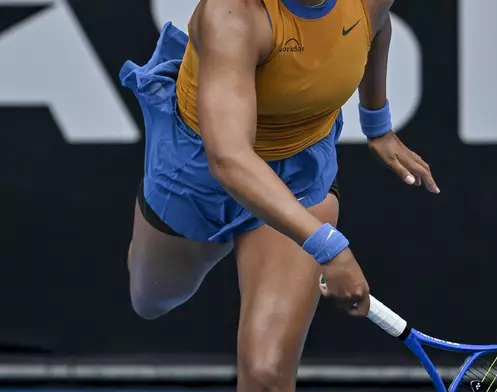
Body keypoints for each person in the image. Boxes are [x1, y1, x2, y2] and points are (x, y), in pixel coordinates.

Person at [119, 0, 439, 390]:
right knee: (151, 300)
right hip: (201, 171)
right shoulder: (232, 13)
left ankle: (261, 243)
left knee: (267, 375)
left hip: (299, 174)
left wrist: (378, 125)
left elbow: (376, 26)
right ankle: (201, 235)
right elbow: (230, 159)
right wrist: (330, 248)